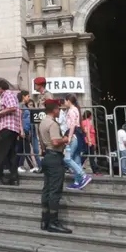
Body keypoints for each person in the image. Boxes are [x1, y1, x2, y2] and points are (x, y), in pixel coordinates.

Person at [37, 100, 72, 234]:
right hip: (54, 156)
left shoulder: (42, 122)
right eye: (58, 109)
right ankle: (53, 222)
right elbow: (55, 141)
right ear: (54, 110)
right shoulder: (52, 124)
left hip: (46, 156)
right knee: (55, 189)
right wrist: (65, 139)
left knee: (46, 188)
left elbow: (42, 141)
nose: (60, 111)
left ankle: (44, 220)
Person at [0, 80, 22, 187]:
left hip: (8, 128)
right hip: (11, 128)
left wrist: (0, 112)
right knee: (11, 154)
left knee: (1, 153)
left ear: (1, 88)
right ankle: (14, 178)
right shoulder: (11, 95)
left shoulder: (7, 94)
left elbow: (12, 107)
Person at [59, 94, 89, 190]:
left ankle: (83, 175)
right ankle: (77, 182)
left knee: (67, 158)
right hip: (78, 136)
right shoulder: (76, 109)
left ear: (68, 101)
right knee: (76, 159)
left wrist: (69, 137)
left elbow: (72, 125)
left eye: (65, 101)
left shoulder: (71, 111)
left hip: (74, 136)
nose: (64, 103)